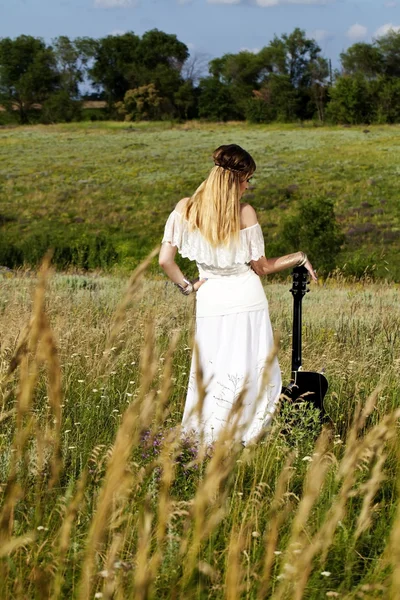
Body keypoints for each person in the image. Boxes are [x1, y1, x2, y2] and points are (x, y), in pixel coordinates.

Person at [159, 144, 317, 445]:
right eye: (247, 179)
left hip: (210, 299)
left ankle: (208, 436)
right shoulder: (244, 212)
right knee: (251, 370)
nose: (248, 186)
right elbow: (261, 267)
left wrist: (187, 287)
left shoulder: (185, 208)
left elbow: (165, 261)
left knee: (212, 371)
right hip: (247, 298)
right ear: (236, 179)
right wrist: (298, 256)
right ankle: (248, 436)